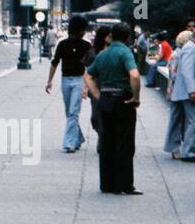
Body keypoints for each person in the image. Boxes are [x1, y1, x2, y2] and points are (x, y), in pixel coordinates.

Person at [84, 22, 143, 195]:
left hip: (105, 99)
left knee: (107, 141)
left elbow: (88, 75)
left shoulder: (103, 54)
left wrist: (97, 94)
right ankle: (124, 184)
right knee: (124, 142)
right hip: (122, 100)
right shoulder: (125, 52)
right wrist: (136, 97)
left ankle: (107, 184)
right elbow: (134, 75)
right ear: (127, 37)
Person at [46, 15, 91, 153]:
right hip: (65, 79)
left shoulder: (86, 46)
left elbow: (90, 68)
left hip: (79, 80)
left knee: (73, 112)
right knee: (69, 112)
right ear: (80, 30)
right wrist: (49, 81)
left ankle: (69, 143)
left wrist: (86, 86)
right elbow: (55, 62)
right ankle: (78, 137)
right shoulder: (63, 45)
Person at [164, 27, 195, 162]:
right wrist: (192, 90)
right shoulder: (190, 48)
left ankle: (192, 151)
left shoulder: (186, 49)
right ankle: (189, 152)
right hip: (189, 91)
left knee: (189, 121)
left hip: (181, 91)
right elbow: (187, 71)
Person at [83, 25, 111, 149]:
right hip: (95, 86)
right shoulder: (92, 52)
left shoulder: (114, 51)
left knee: (107, 114)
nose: (111, 37)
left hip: (111, 86)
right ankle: (101, 133)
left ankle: (104, 139)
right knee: (95, 116)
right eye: (109, 35)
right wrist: (84, 88)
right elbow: (87, 71)